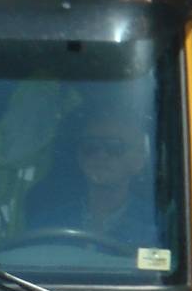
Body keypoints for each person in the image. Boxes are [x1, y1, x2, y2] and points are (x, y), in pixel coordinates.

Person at [26, 104, 161, 245]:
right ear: (79, 157)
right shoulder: (48, 223)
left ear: (138, 161)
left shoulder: (158, 227)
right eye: (90, 147)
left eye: (114, 147)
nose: (100, 155)